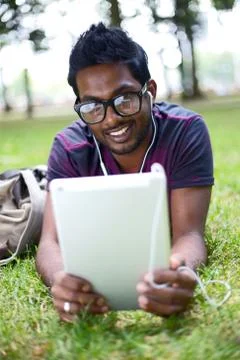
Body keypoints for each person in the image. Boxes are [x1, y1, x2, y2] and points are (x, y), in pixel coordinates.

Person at [36, 22, 214, 322]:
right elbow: (49, 242)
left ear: (150, 91)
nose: (111, 120)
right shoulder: (69, 147)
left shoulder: (186, 131)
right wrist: (60, 279)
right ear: (79, 105)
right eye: (93, 106)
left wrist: (181, 270)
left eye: (125, 99)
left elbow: (189, 233)